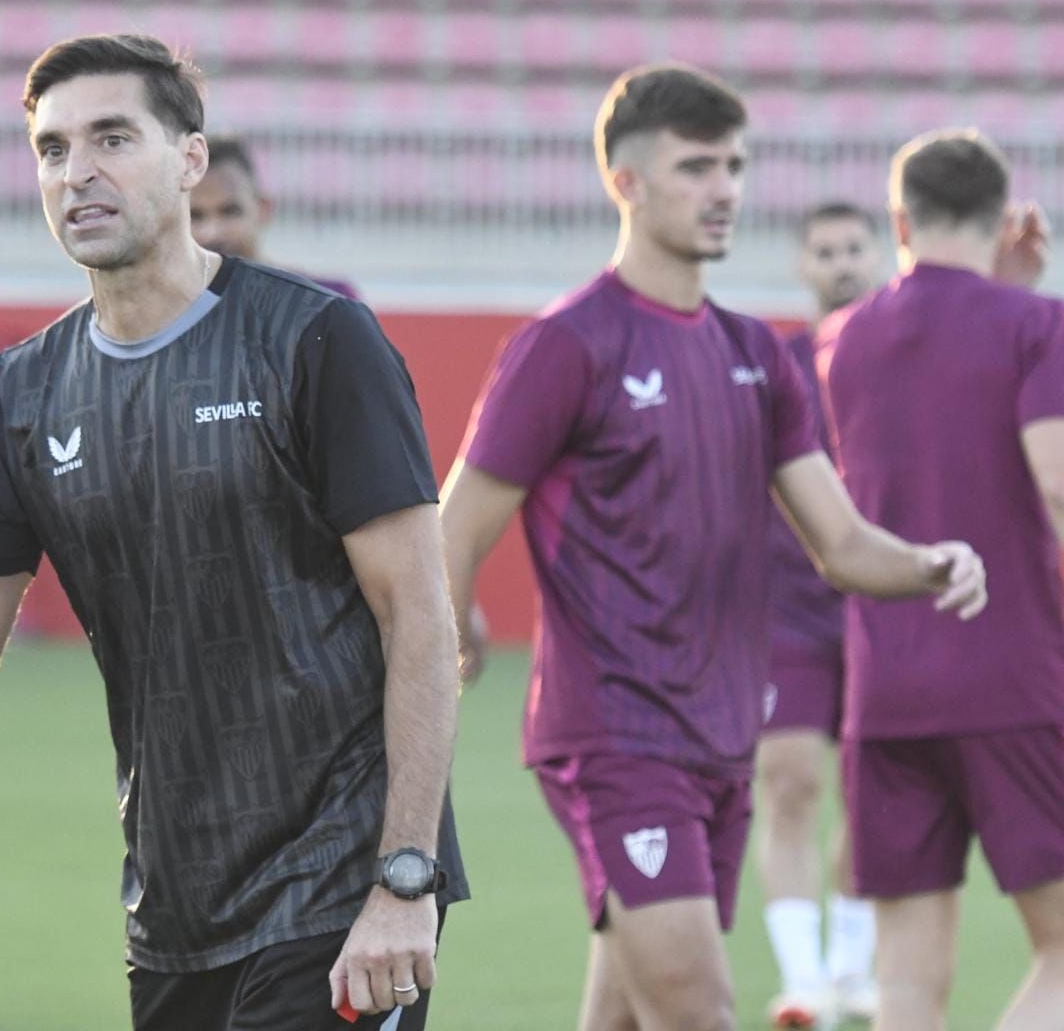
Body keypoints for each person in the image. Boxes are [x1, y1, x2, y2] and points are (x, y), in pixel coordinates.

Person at [0, 33, 467, 1029]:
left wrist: (404, 879)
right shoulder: (25, 389)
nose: (76, 172)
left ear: (189, 160)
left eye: (110, 138)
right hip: (173, 900)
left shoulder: (316, 340)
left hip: (340, 880)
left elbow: (421, 620)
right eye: (51, 150)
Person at [438, 63, 987, 1031]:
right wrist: (449, 641)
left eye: (734, 164)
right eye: (697, 166)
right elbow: (454, 526)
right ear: (626, 181)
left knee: (623, 1013)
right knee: (698, 1010)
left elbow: (842, 544)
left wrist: (932, 562)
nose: (725, 188)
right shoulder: (566, 344)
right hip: (614, 737)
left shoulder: (752, 353)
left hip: (720, 739)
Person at [820, 128, 1064, 1031]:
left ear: (898, 219)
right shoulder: (1038, 326)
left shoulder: (842, 339)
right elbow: (1058, 481)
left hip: (883, 689)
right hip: (1013, 675)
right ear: (1005, 218)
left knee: (908, 986)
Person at [757, 202, 883, 1028]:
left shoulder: (900, 365)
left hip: (884, 609)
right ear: (803, 266)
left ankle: (853, 969)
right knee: (792, 784)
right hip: (786, 611)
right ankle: (804, 982)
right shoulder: (773, 367)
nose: (839, 262)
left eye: (852, 248)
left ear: (879, 257)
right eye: (824, 251)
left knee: (876, 794)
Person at [189, 133, 360, 298]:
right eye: (195, 216)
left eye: (230, 212)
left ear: (263, 209)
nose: (212, 232)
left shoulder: (328, 302)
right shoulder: (168, 313)